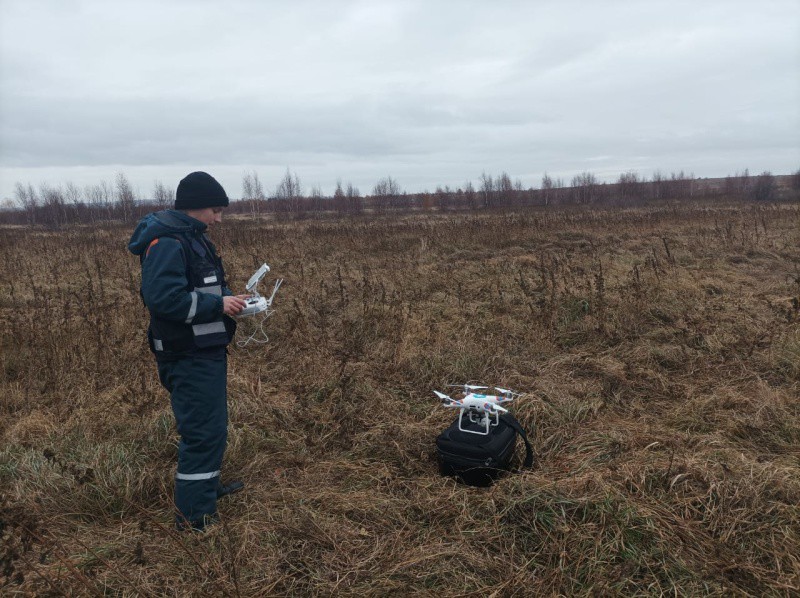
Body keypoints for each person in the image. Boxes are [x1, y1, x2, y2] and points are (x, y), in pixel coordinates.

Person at [128, 171, 248, 530]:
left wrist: (232, 300)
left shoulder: (191, 237)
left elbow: (201, 289)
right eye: (215, 210)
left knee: (212, 428)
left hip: (204, 350)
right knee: (202, 432)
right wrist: (218, 306)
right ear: (195, 207)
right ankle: (194, 518)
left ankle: (205, 492)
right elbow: (165, 299)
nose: (218, 218)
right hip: (187, 354)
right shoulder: (167, 242)